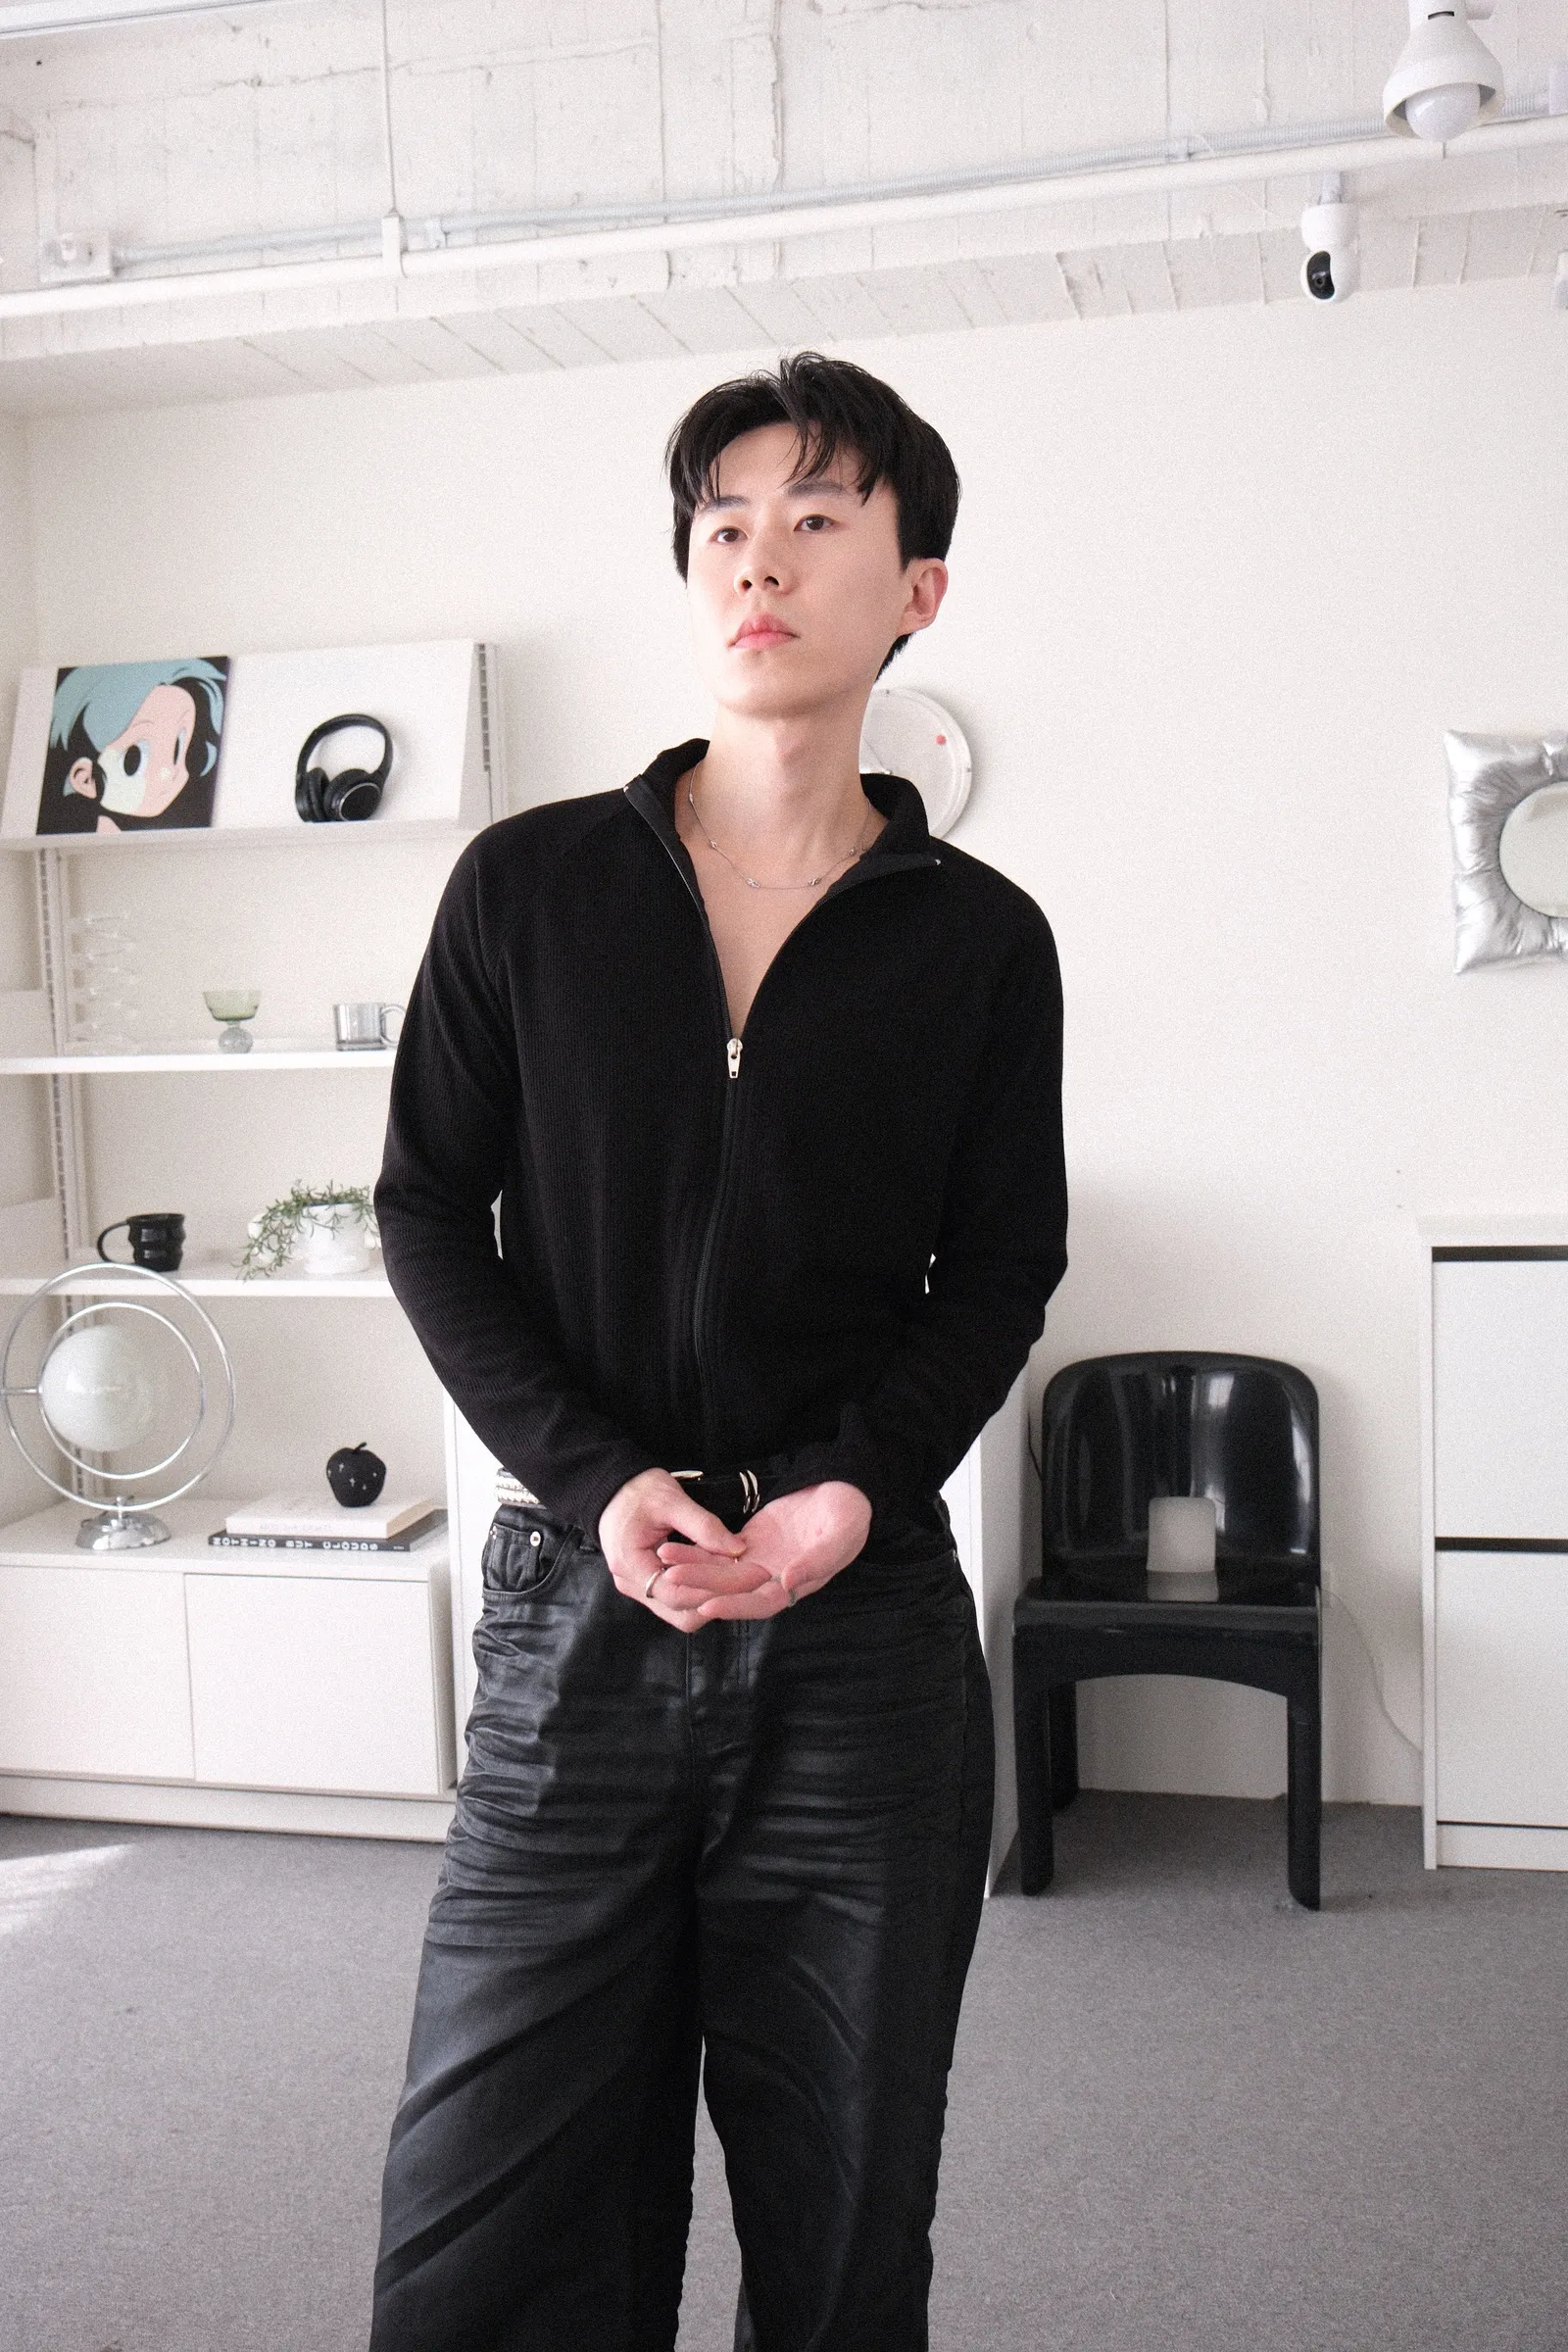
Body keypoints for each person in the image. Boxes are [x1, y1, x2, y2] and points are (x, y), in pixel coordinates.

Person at [368, 350, 1068, 2352]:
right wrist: (597, 1483)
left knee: (841, 2229)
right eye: (724, 526)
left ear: (916, 588)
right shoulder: (526, 890)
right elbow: (428, 1211)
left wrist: (856, 1484)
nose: (758, 561)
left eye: (817, 519)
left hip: (858, 1651)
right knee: (489, 2231)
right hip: (577, 1624)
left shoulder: (978, 939)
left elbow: (1000, 1263)